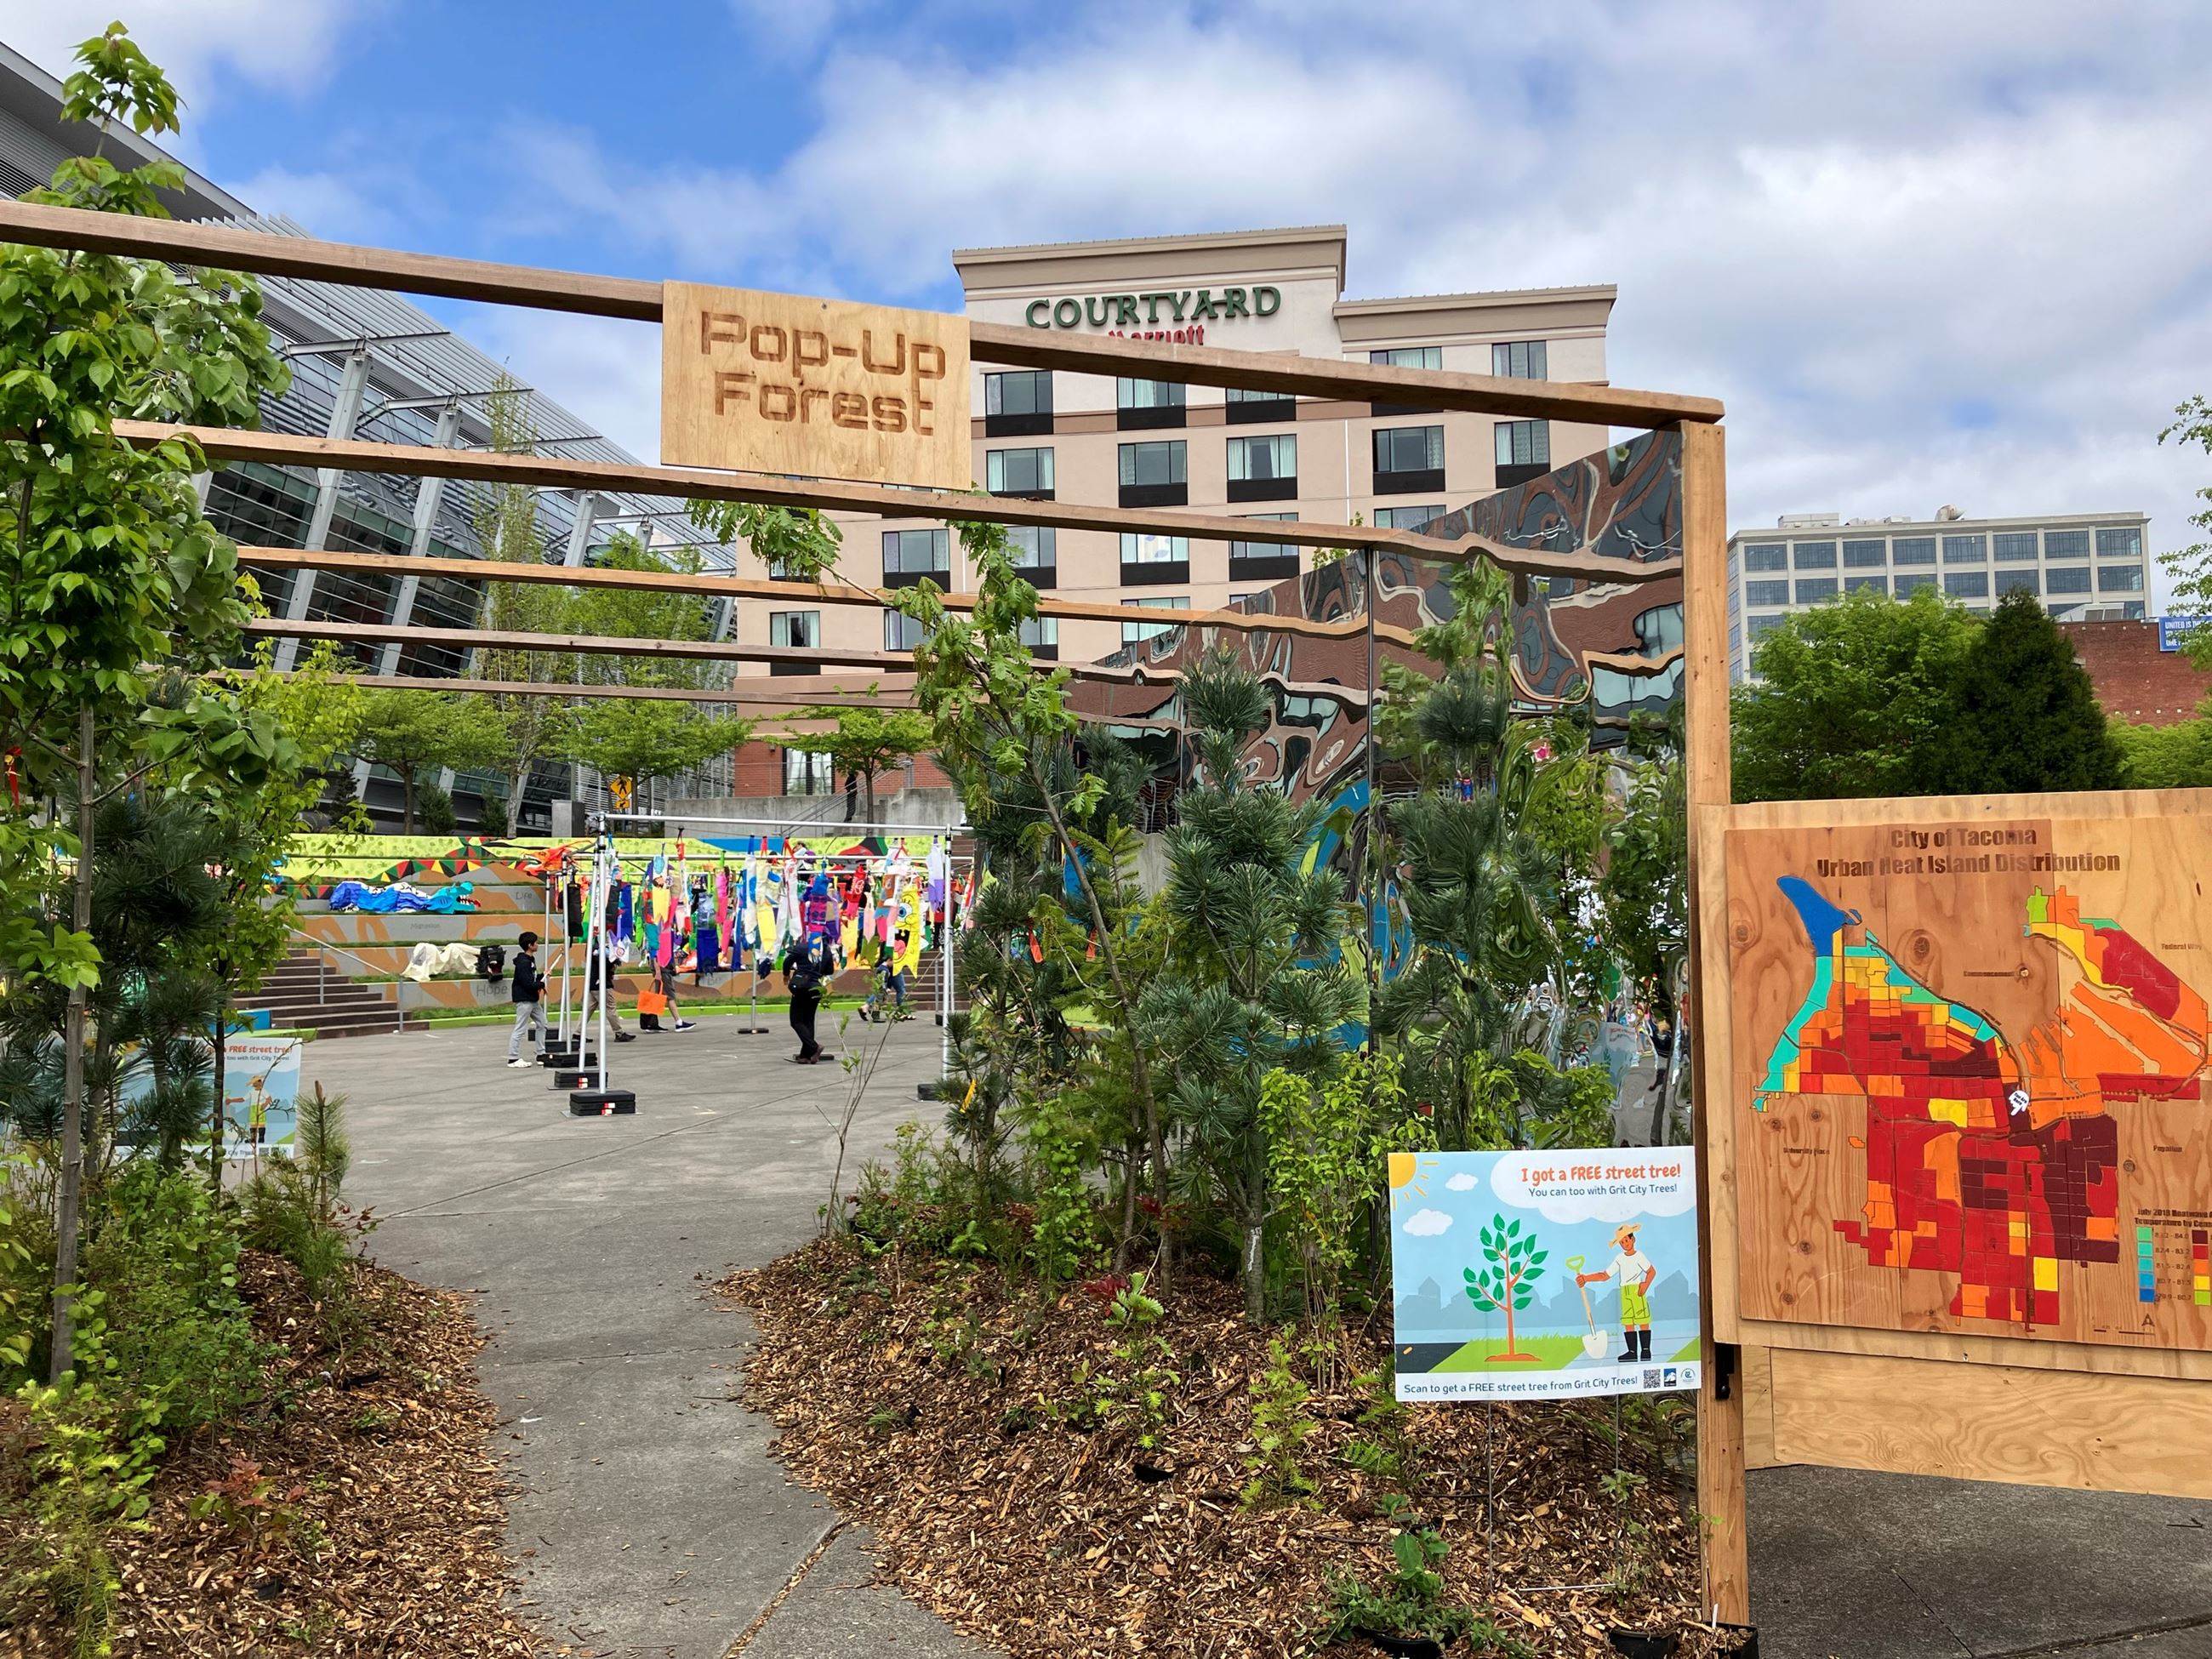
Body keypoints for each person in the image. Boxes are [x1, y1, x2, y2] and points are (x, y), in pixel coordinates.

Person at [1576, 1222, 1659, 1363]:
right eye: (1622, 1242)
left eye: (1627, 1240)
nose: (1625, 1243)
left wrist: (1645, 1284)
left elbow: (1651, 1271)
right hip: (1625, 1292)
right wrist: (1586, 1278)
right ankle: (1632, 1352)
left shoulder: (1639, 1256)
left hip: (1637, 1290)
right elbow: (1605, 1275)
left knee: (1642, 1320)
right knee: (1628, 1322)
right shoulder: (1620, 1259)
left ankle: (1646, 1350)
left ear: (1633, 1240)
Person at [784, 930, 835, 1063]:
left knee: (796, 1021)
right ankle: (806, 1056)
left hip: (802, 987)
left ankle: (814, 1047)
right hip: (816, 988)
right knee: (808, 1021)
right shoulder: (827, 952)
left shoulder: (802, 947)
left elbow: (787, 961)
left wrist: (786, 975)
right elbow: (829, 971)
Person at [505, 930, 546, 1067]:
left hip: (532, 999)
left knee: (543, 1024)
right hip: (524, 999)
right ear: (530, 945)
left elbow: (532, 978)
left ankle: (541, 1053)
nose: (538, 944)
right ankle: (513, 1058)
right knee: (520, 1028)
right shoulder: (523, 962)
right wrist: (541, 984)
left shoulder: (530, 960)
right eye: (536, 942)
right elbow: (527, 983)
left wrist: (541, 976)